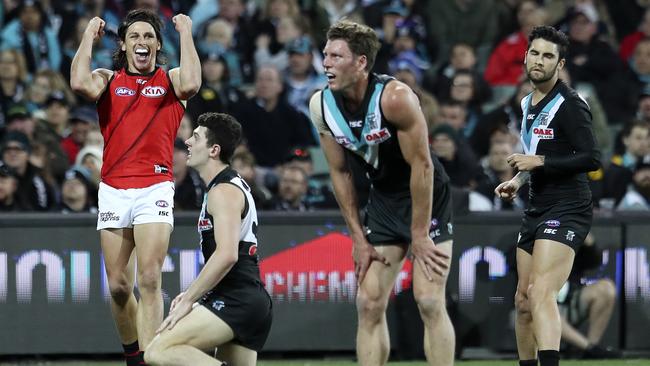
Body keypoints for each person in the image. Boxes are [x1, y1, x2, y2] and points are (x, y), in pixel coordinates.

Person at [309, 20, 455, 366]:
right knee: (369, 300)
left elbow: (422, 167)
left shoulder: (396, 98)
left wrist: (419, 234)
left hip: (426, 195)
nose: (326, 63)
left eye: (336, 56)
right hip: (385, 199)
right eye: (325, 55)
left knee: (429, 300)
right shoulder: (321, 106)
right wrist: (358, 238)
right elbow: (340, 172)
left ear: (361, 63)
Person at [69, 9, 201, 365]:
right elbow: (79, 83)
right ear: (124, 46)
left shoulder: (171, 79)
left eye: (148, 37)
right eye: (134, 37)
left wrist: (186, 31)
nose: (142, 43)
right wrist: (87, 36)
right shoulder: (108, 80)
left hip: (155, 187)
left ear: (158, 45)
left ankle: (152, 358)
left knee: (149, 278)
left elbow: (192, 84)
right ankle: (133, 355)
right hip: (113, 188)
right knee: (118, 287)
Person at [495, 25, 601, 366]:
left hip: (568, 206)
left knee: (541, 293)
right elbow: (538, 153)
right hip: (537, 205)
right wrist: (518, 179)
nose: (540, 61)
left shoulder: (571, 104)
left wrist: (538, 161)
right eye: (536, 53)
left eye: (548, 56)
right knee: (523, 301)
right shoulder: (527, 102)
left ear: (560, 64)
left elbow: (591, 158)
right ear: (525, 56)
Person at [144, 112, 272, 366]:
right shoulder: (225, 186)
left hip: (237, 298)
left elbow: (227, 254)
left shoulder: (223, 191)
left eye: (195, 137)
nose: (187, 142)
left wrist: (189, 298)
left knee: (158, 351)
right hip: (246, 297)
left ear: (213, 150)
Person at [557, 233, 621, 359]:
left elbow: (594, 262)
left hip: (570, 299)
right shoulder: (532, 230)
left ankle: (591, 348)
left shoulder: (571, 233)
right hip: (539, 299)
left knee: (606, 288)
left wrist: (587, 240)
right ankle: (590, 349)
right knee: (541, 307)